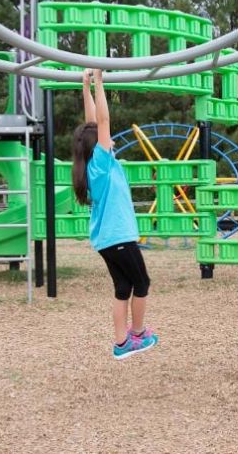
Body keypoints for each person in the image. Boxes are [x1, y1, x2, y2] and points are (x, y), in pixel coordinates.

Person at [71, 68, 158, 360]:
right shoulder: (102, 162)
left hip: (105, 239)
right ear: (100, 144)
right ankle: (137, 334)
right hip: (118, 236)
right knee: (142, 283)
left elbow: (93, 123)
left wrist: (86, 85)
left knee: (124, 286)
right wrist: (100, 80)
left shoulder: (90, 164)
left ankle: (121, 344)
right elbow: (103, 122)